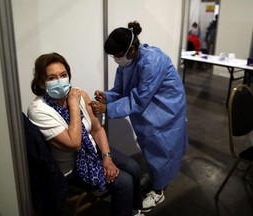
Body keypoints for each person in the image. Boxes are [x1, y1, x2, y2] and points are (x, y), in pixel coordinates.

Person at [27, 52, 144, 216]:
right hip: (71, 168)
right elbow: (74, 143)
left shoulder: (79, 94)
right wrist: (74, 105)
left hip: (92, 150)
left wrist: (107, 157)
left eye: (63, 75)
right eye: (52, 78)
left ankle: (134, 209)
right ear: (41, 83)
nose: (59, 81)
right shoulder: (38, 110)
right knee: (124, 181)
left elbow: (97, 129)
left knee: (134, 166)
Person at [90, 21, 188, 213]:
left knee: (161, 148)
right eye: (113, 55)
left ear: (132, 49)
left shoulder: (152, 61)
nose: (115, 59)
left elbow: (138, 99)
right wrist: (106, 96)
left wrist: (107, 109)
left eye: (117, 55)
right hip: (149, 107)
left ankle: (158, 191)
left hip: (166, 109)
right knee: (150, 147)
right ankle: (155, 177)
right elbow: (120, 90)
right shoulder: (126, 63)